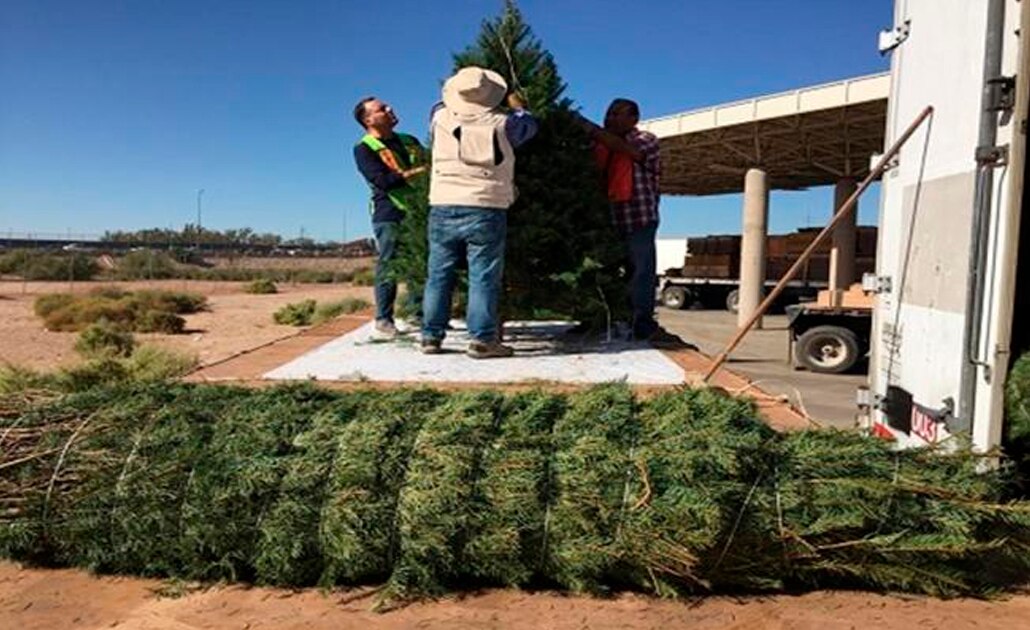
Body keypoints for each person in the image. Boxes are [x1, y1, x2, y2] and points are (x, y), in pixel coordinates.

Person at [420, 66, 538, 358]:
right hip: (486, 206)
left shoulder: (438, 116)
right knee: (483, 276)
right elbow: (529, 126)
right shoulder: (505, 123)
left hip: (443, 203)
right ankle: (483, 340)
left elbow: (441, 102)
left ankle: (430, 337)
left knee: (438, 274)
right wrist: (519, 105)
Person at [578, 98, 662, 340]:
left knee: (641, 272)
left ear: (634, 119)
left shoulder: (645, 140)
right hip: (609, 219)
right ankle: (596, 319)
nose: (610, 118)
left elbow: (627, 150)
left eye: (617, 114)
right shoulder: (598, 145)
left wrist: (589, 128)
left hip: (639, 219)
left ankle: (641, 323)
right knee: (601, 271)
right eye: (608, 113)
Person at [352, 96, 427, 338]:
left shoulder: (410, 141)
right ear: (368, 120)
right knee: (390, 264)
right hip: (389, 213)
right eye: (381, 109)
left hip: (419, 211)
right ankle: (384, 320)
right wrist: (417, 173)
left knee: (419, 261)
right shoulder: (364, 148)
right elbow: (382, 181)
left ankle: (418, 314)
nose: (389, 109)